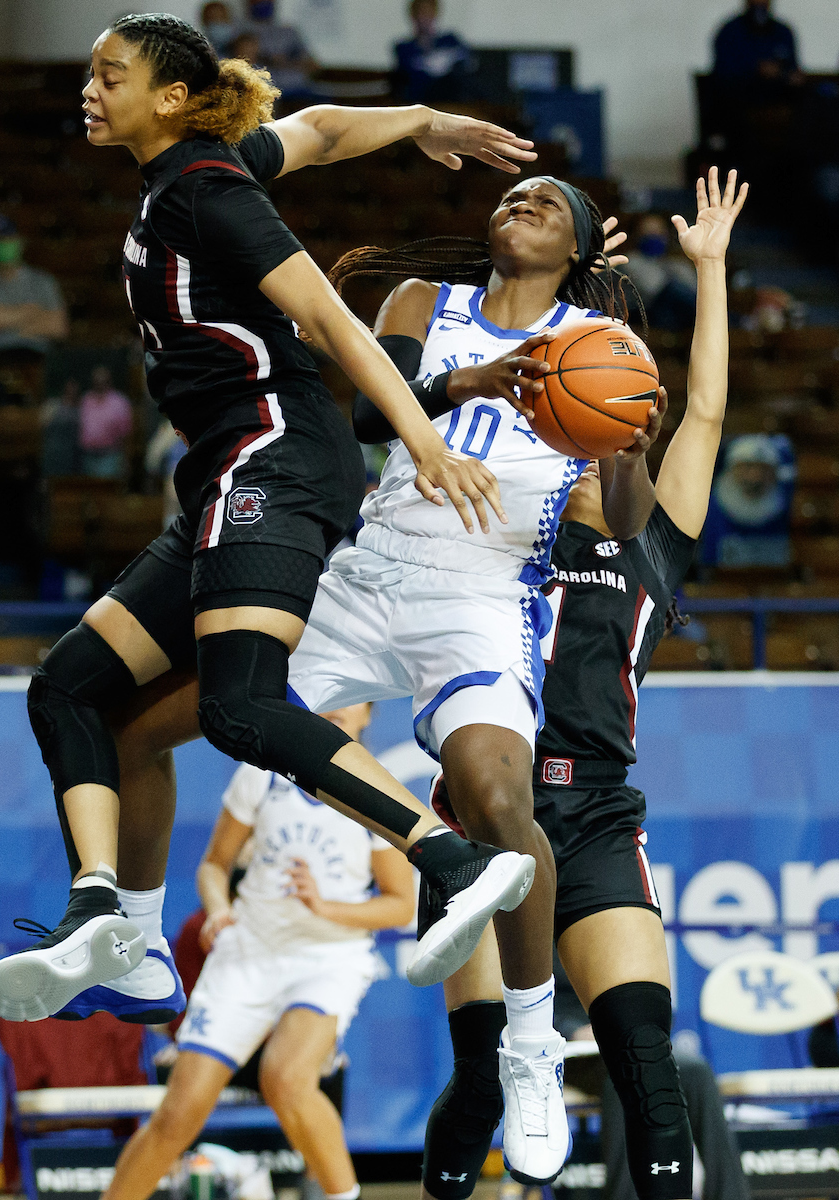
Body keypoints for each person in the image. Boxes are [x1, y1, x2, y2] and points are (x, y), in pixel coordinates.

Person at [0, 173, 656, 1194]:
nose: (517, 206)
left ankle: (530, 1044)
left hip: (480, 597)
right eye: (508, 196)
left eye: (542, 203)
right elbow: (371, 418)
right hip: (363, 577)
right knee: (133, 725)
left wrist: (631, 442)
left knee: (499, 801)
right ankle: (136, 937)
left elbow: (625, 521)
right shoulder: (425, 304)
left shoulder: (601, 352)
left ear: (573, 245)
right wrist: (475, 384)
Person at [0, 12, 546, 1033]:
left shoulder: (208, 192)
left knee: (240, 707)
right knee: (69, 690)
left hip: (276, 457)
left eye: (113, 74)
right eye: (91, 73)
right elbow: (318, 130)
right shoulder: (193, 174)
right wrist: (421, 119)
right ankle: (119, 925)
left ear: (173, 97)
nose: (91, 89)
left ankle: (453, 861)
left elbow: (327, 318)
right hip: (223, 472)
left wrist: (421, 441)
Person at [418, 168, 748, 1200]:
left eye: (630, 410)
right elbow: (515, 372)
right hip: (489, 812)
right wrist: (578, 292)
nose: (622, 418)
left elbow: (706, 406)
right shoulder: (522, 511)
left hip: (598, 813)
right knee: (483, 1082)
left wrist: (710, 268)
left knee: (652, 1078)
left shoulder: (661, 538)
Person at [100, 703, 413, 1200]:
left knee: (286, 1078)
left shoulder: (377, 789)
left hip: (327, 959)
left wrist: (323, 905)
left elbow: (401, 905)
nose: (335, 704)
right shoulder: (261, 775)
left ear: (369, 713)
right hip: (249, 953)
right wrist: (219, 910)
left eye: (351, 696)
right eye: (325, 692)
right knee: (178, 1115)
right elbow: (214, 866)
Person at [552, 959, 749, 1200]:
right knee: (627, 1074)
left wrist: (647, 1025)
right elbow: (527, 1001)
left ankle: (730, 1194)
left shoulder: (623, 929)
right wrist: (573, 1030)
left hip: (627, 1036)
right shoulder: (544, 933)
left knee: (696, 1071)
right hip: (570, 1049)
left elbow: (651, 990)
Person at [0, 220, 68, 356]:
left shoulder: (43, 280)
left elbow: (57, 327)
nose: (3, 244)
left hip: (34, 356)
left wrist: (1, 319)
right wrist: (31, 312)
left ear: (20, 241)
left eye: (7, 238)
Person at [699, 432, 794, 568]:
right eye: (747, 467)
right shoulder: (709, 505)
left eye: (763, 469)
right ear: (731, 469)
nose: (755, 477)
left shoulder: (786, 503)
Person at [624, 215, 698, 333]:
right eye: (649, 232)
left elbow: (694, 290)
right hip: (649, 315)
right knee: (672, 290)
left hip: (682, 316)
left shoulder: (678, 263)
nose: (654, 236)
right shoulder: (631, 261)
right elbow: (653, 288)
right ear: (638, 235)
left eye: (658, 232)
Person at [393, 0, 472, 105]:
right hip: (422, 99)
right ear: (413, 16)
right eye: (422, 13)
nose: (426, 18)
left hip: (451, 99)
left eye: (429, 12)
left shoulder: (450, 40)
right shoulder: (404, 48)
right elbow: (407, 78)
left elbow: (468, 63)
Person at [238, 0, 317, 98]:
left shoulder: (288, 31)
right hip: (261, 89)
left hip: (296, 87)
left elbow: (313, 64)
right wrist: (267, 58)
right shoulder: (240, 29)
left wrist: (287, 62)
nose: (262, 4)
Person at [712, 0, 800, 85]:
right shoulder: (730, 33)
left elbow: (793, 70)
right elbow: (722, 71)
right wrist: (756, 69)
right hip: (738, 95)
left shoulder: (783, 33)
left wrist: (782, 73)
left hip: (777, 96)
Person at [79, 366, 134, 479]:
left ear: (109, 381)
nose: (99, 384)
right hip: (87, 456)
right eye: (96, 381)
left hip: (110, 455)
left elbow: (127, 434)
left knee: (108, 490)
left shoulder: (119, 402)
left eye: (103, 381)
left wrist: (126, 459)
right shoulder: (86, 399)